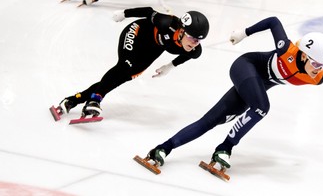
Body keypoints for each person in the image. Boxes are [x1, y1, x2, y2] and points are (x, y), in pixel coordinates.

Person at [142, 16, 323, 173]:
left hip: (254, 86)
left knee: (211, 120)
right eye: (316, 64)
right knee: (261, 108)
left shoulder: (318, 77)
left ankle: (162, 148)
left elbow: (319, 71)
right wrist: (243, 33)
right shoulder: (287, 51)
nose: (318, 70)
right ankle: (225, 148)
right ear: (303, 54)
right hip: (245, 67)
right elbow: (273, 22)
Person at [52, 7, 209, 118]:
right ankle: (95, 99)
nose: (195, 43)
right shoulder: (166, 23)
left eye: (199, 40)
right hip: (137, 32)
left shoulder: (194, 50)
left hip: (152, 49)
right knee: (124, 66)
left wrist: (170, 66)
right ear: (181, 31)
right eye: (193, 38)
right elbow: (148, 11)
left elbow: (187, 56)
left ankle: (73, 100)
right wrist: (124, 14)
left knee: (122, 77)